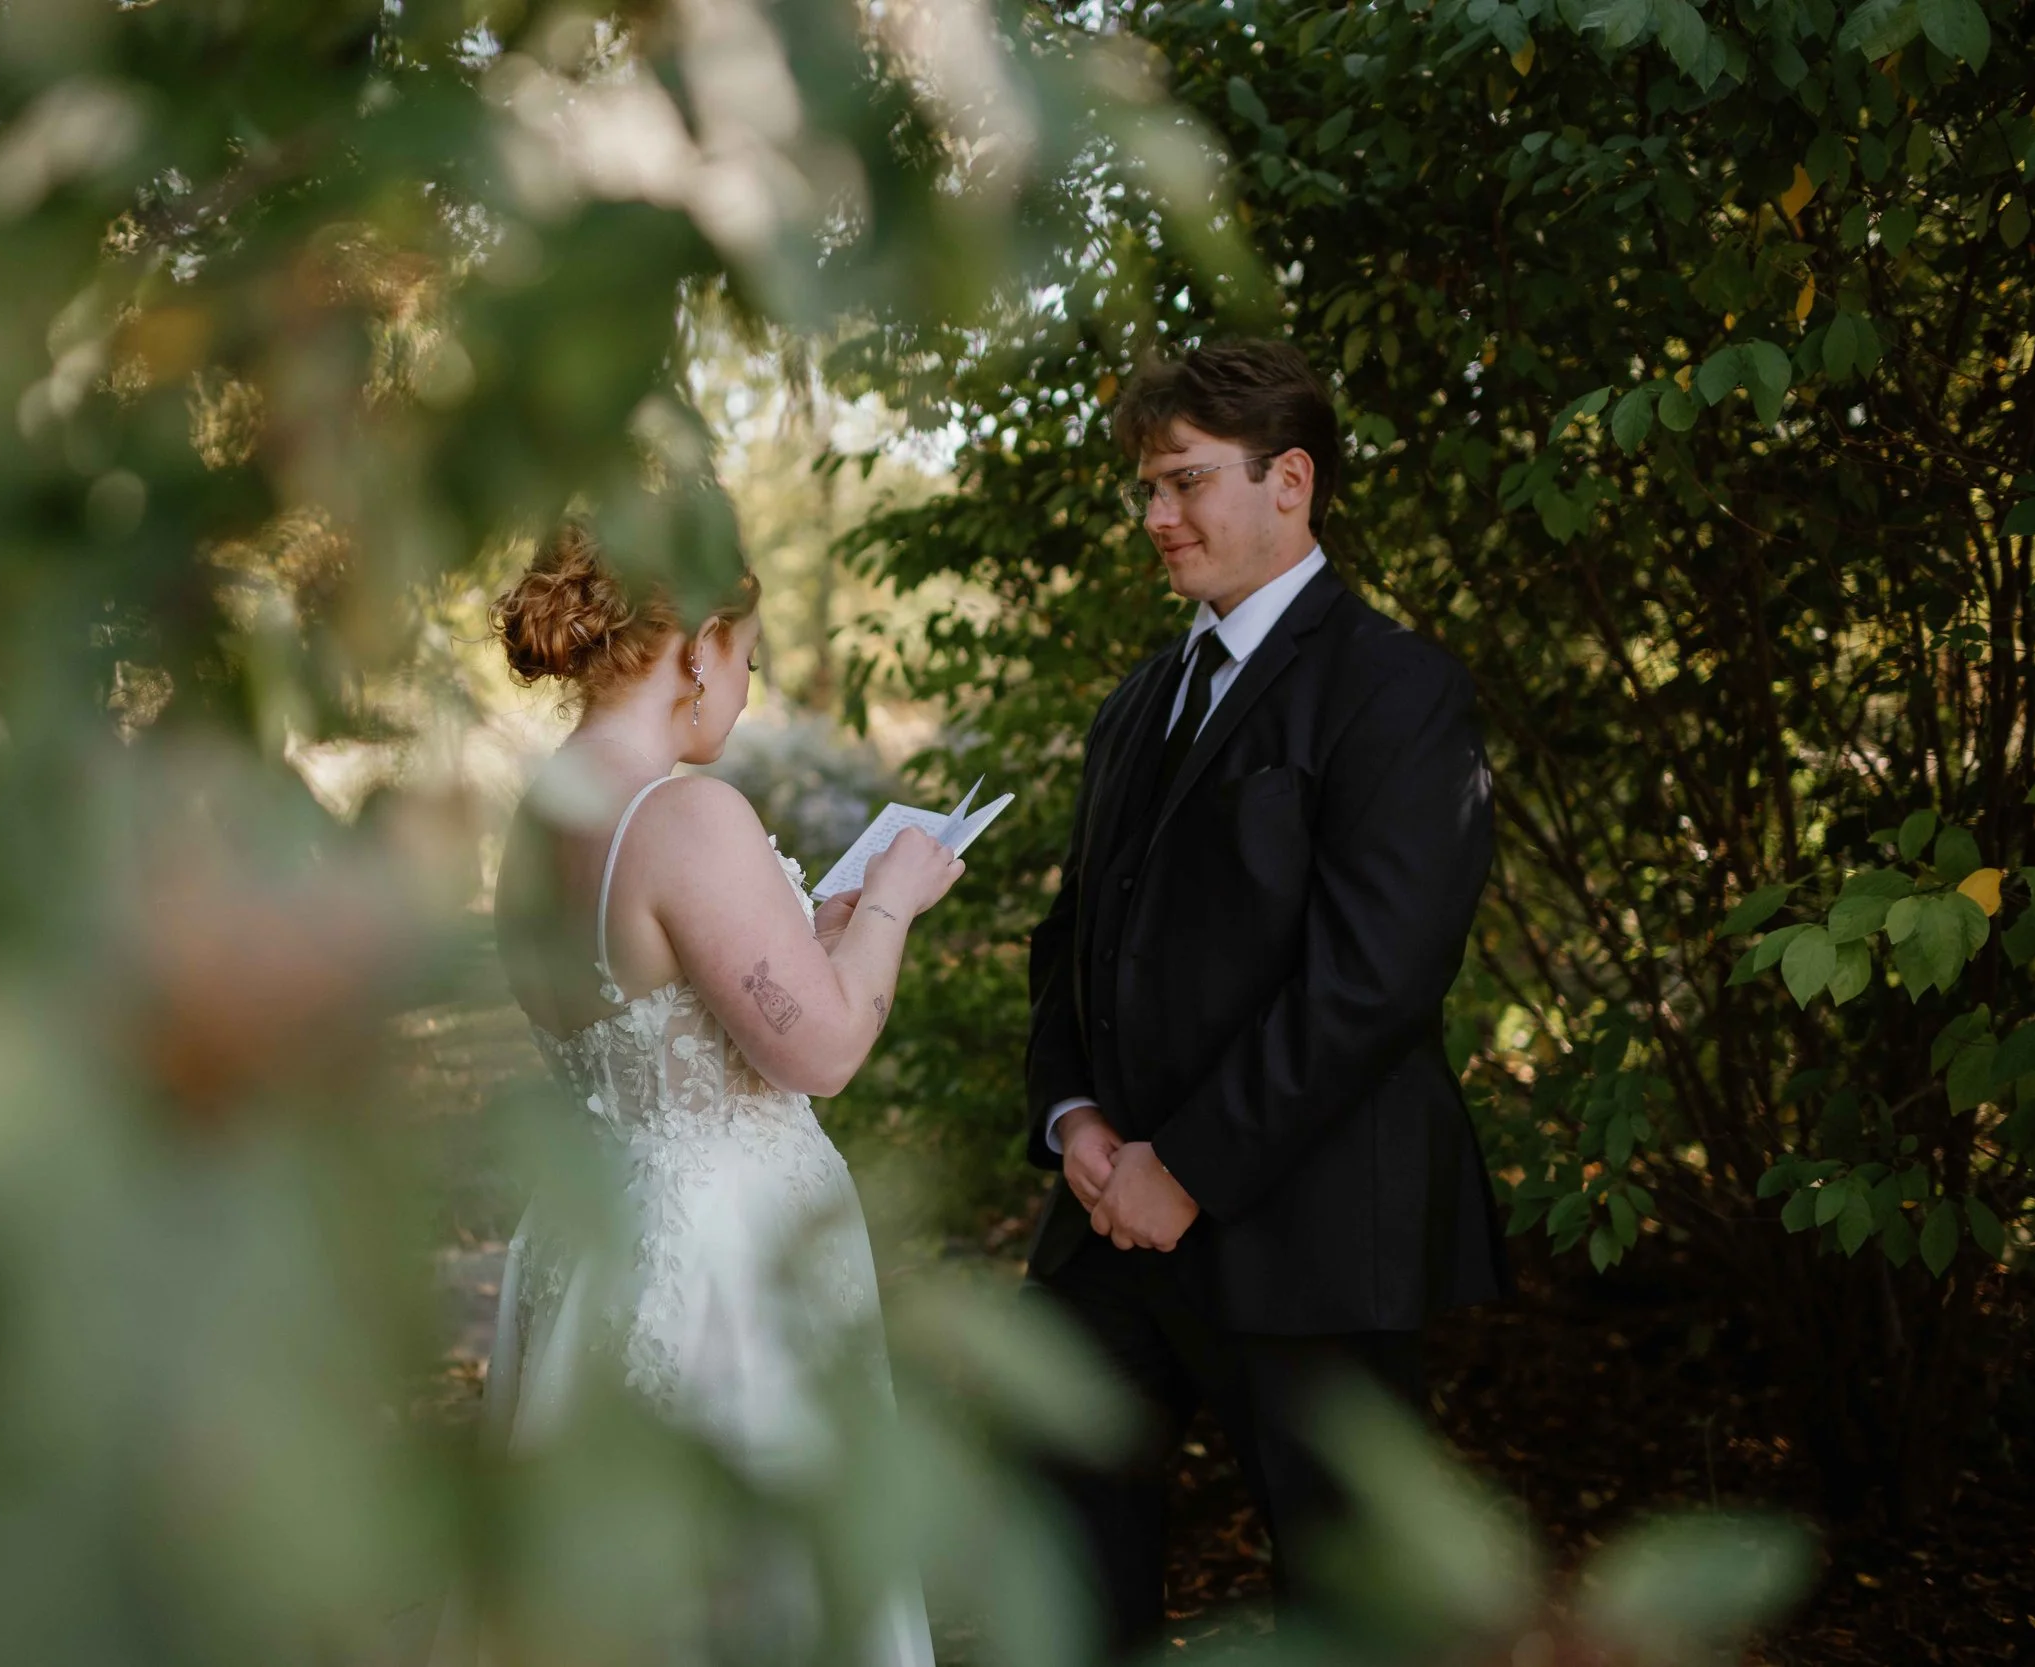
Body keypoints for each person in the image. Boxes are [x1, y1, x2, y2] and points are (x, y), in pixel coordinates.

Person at [1021, 339, 1509, 1652]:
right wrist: (1074, 1117)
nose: (1155, 515)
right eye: (1148, 487)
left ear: (1288, 479)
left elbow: (1376, 976)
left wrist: (1186, 1165)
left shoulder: (1399, 689)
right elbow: (1073, 937)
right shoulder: (1136, 703)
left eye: (1184, 480)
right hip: (1110, 1221)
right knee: (1056, 1557)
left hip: (1312, 1226)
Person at [466, 521, 958, 1666]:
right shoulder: (685, 814)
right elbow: (822, 1052)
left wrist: (817, 932)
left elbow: (684, 1006)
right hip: (723, 1268)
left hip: (595, 1242)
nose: (746, 688)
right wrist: (891, 899)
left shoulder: (544, 818)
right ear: (697, 644)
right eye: (746, 656)